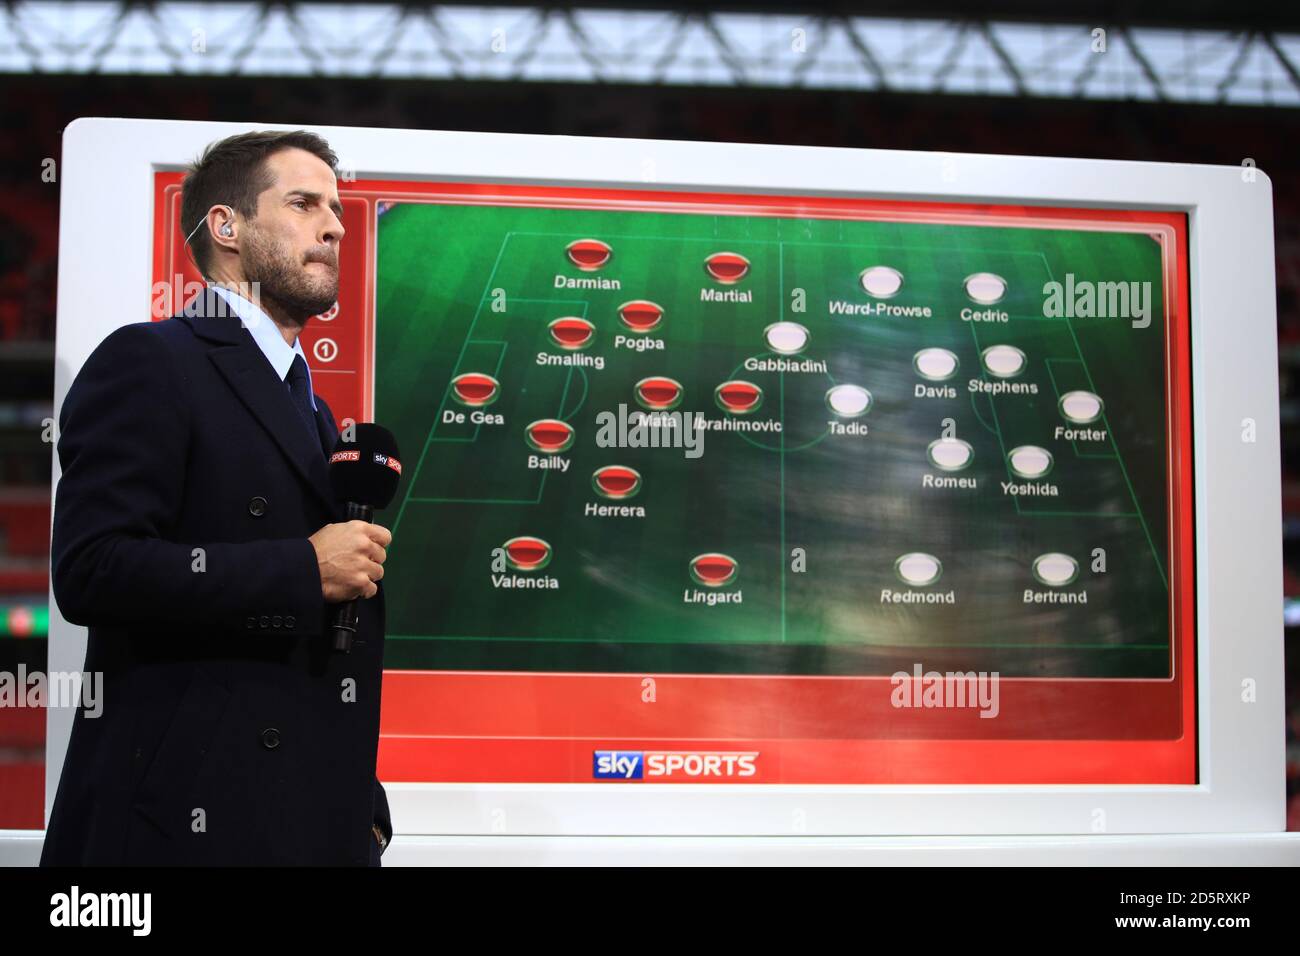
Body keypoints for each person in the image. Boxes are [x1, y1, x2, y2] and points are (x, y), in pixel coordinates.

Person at [40, 129, 393, 866]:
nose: (335, 224)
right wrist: (301, 570)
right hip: (180, 834)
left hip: (299, 820)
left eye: (337, 206)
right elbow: (92, 568)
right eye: (303, 203)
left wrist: (359, 800)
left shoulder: (313, 408)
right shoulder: (151, 360)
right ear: (226, 227)